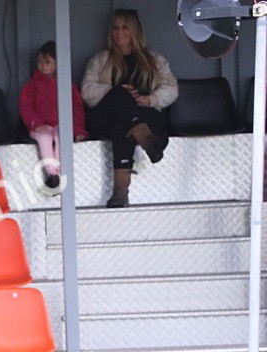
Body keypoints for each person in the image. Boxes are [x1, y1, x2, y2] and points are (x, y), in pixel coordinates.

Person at [80, 8, 178, 208]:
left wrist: (149, 100)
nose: (119, 32)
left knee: (122, 127)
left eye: (125, 27)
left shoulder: (154, 60)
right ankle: (148, 140)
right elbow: (87, 91)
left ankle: (120, 192)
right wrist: (116, 92)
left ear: (135, 31)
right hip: (104, 118)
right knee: (119, 94)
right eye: (115, 28)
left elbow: (172, 89)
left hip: (138, 115)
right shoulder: (101, 60)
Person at [19, 41, 88, 190]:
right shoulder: (32, 85)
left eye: (48, 62)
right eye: (40, 62)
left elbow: (75, 108)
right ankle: (52, 174)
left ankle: (59, 172)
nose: (43, 66)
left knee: (61, 137)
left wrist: (77, 130)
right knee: (45, 137)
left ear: (57, 64)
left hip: (60, 125)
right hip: (39, 126)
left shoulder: (66, 84)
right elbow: (26, 106)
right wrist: (35, 122)